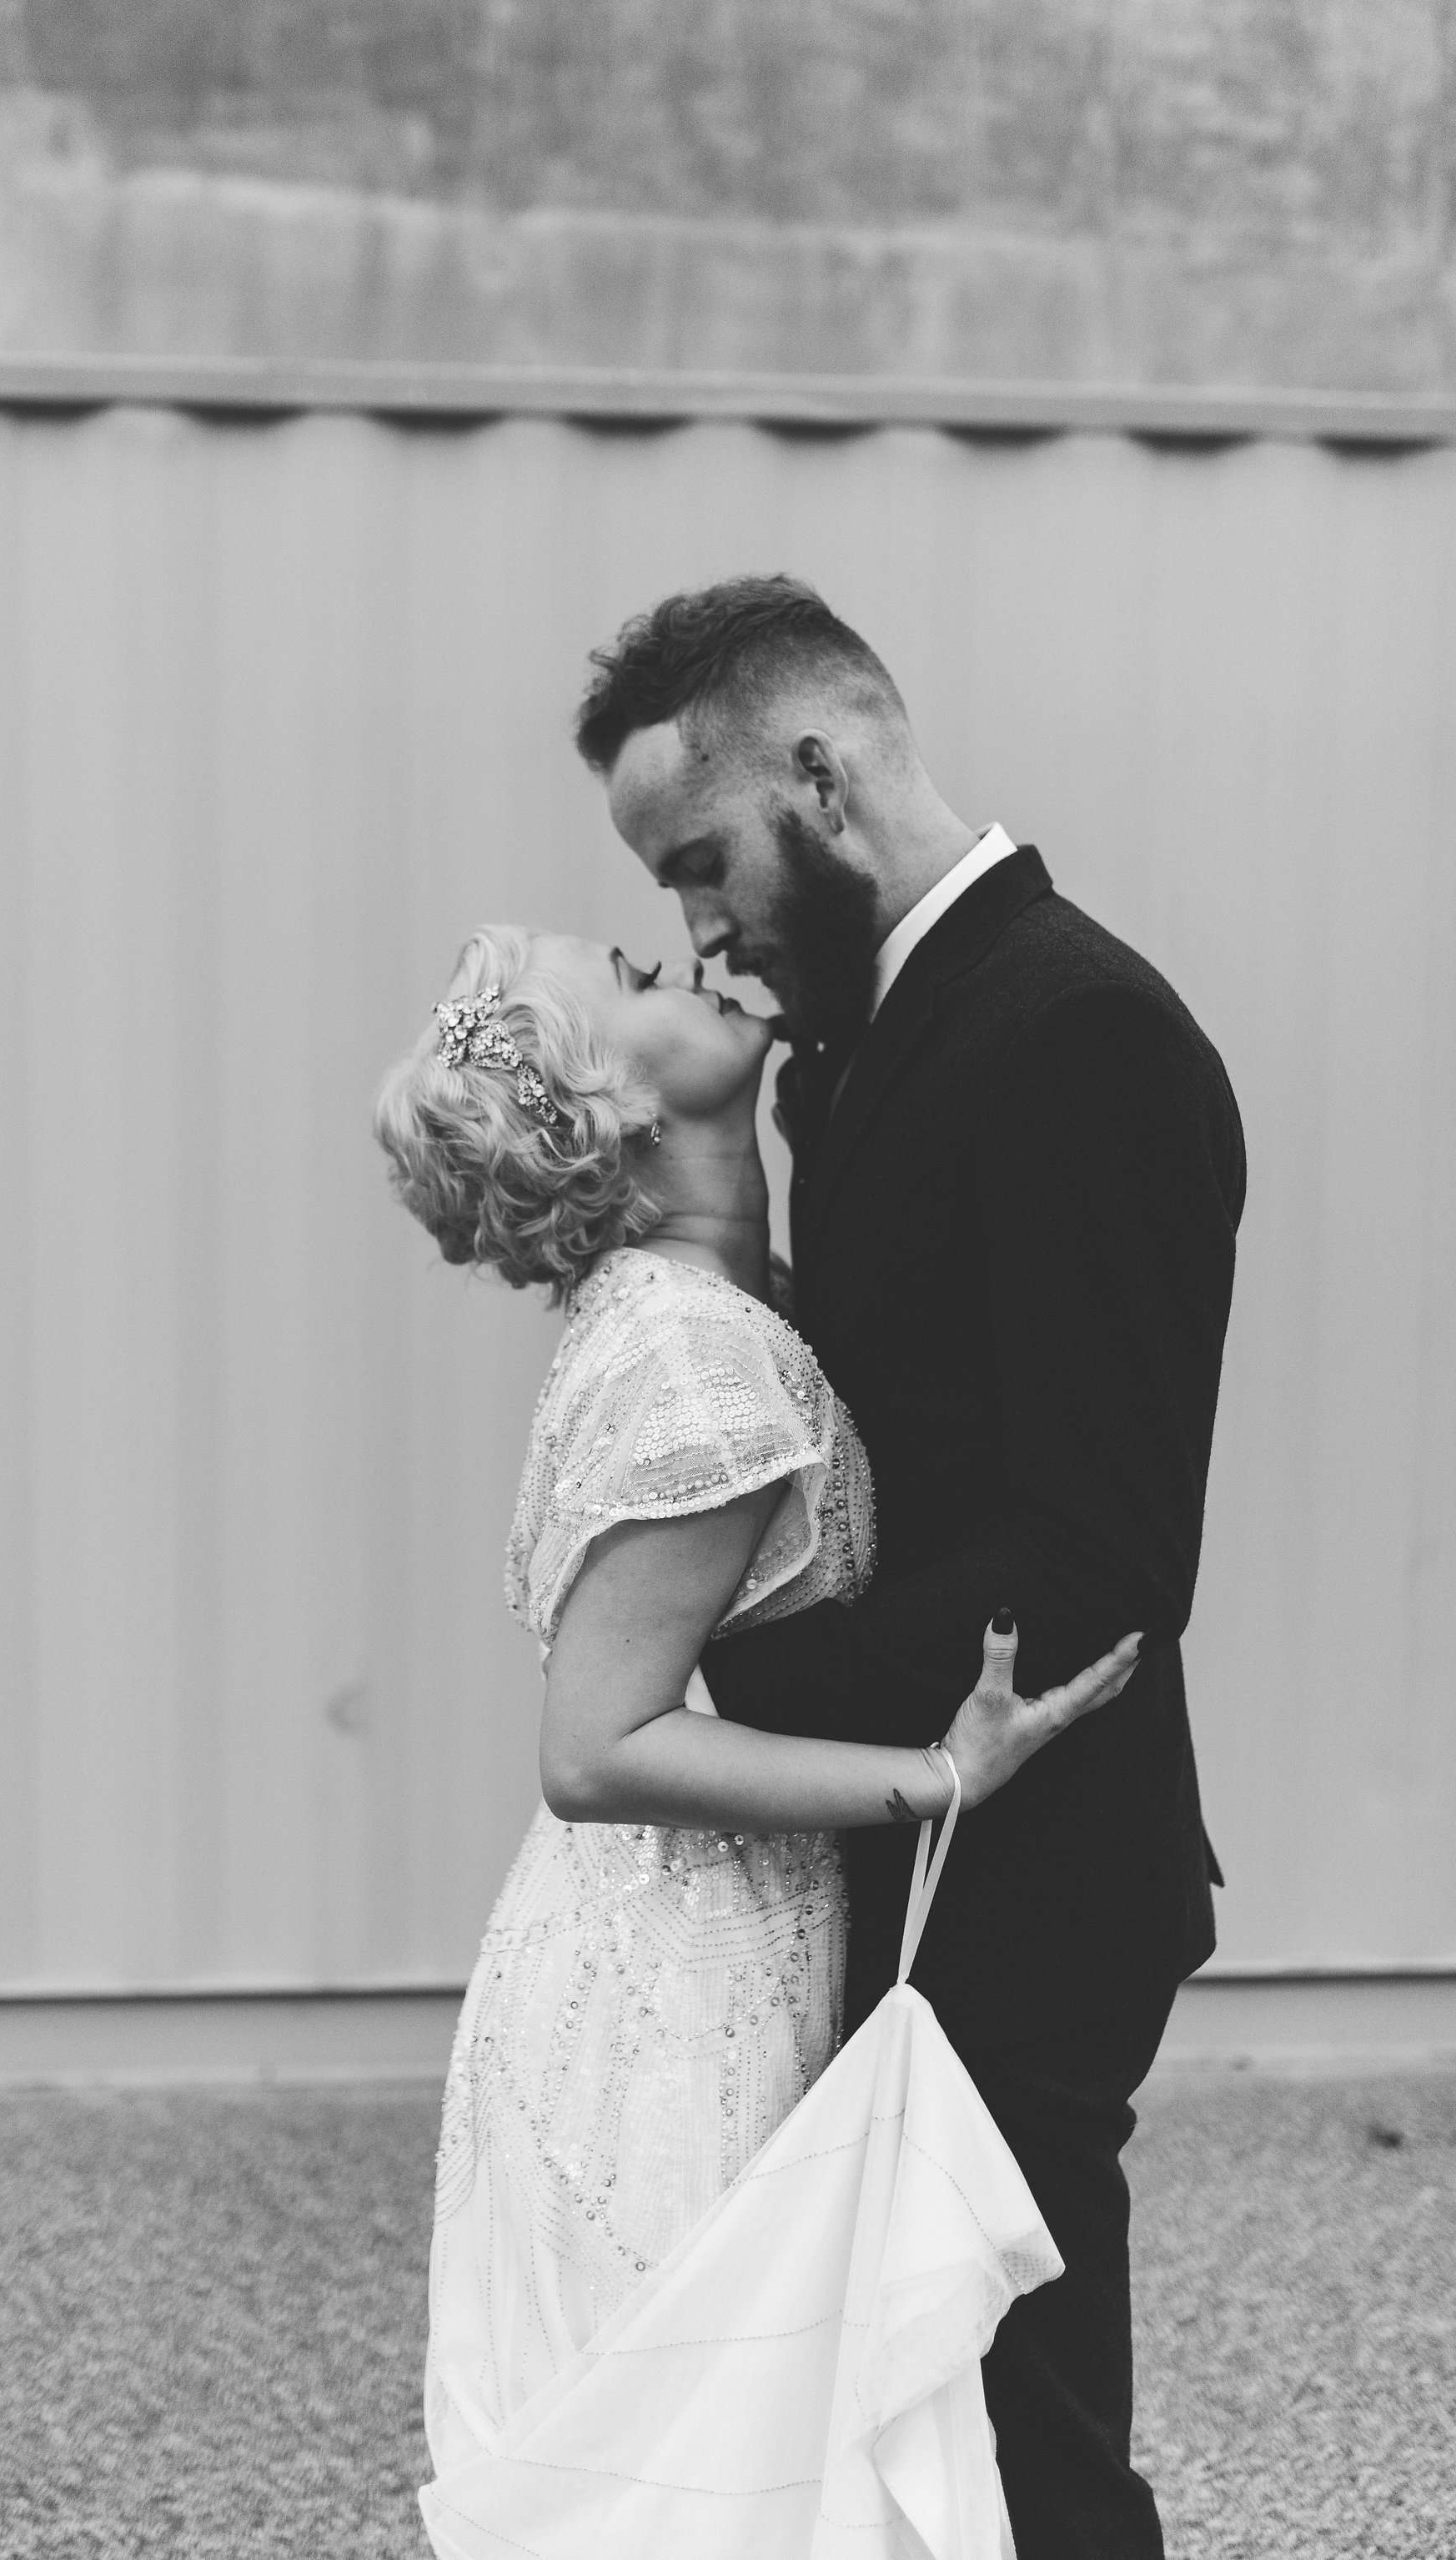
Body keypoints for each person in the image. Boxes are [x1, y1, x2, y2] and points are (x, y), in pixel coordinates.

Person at [577, 572, 1247, 2560]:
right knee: (894, 2438)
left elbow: (1101, 1547)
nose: (699, 924)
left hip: (1031, 1867)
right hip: (900, 1827)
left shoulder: (1080, 1033)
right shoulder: (845, 1053)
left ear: (820, 774)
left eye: (699, 861)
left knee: (1025, 2442)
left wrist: (735, 1694)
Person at [375, 923, 1142, 2557]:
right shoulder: (695, 1356)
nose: (676, 958)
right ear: (608, 1107)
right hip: (668, 1993)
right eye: (630, 977)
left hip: (691, 1937)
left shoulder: (714, 1307)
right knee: (699, 2468)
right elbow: (595, 1743)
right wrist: (936, 1776)